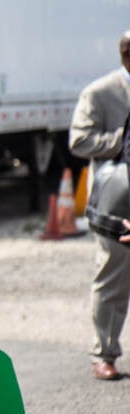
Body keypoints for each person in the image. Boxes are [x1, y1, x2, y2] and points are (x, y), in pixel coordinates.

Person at [69, 31, 130, 381]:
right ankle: (103, 353)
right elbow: (79, 140)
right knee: (112, 276)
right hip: (117, 202)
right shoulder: (100, 92)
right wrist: (122, 140)